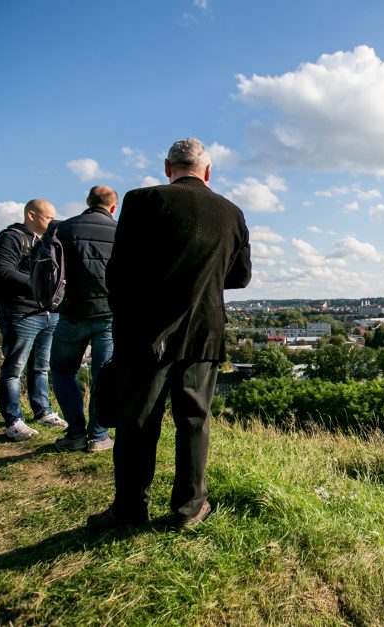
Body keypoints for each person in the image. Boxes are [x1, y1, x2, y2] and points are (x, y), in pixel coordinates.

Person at [88, 138, 251, 530]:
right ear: (207, 172)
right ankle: (189, 508)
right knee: (194, 420)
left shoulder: (141, 201)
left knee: (139, 421)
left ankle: (129, 510)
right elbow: (240, 277)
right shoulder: (231, 212)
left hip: (146, 332)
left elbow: (119, 272)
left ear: (167, 168)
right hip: (204, 330)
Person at [0, 199, 68, 441]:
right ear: (32, 215)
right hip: (20, 312)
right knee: (14, 368)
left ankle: (43, 410)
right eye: (48, 218)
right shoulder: (11, 238)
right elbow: (3, 271)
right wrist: (41, 286)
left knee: (41, 367)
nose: (52, 222)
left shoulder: (48, 242)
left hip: (47, 313)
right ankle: (13, 420)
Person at [52, 185, 118, 453]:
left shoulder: (63, 229)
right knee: (103, 376)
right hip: (109, 314)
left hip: (72, 312)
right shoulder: (121, 232)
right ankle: (99, 436)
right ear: (113, 208)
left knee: (62, 370)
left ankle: (75, 432)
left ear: (87, 202)